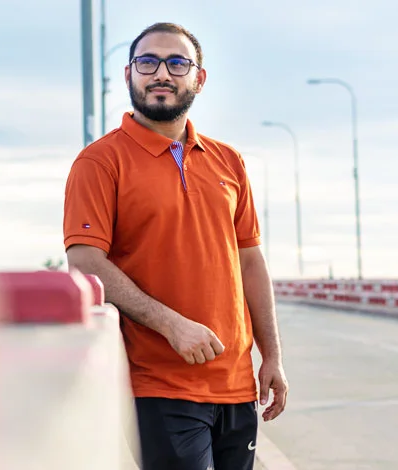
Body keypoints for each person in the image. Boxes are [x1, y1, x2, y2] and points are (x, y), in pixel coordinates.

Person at [62, 22, 288, 470]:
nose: (161, 73)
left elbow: (249, 261)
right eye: (147, 62)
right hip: (159, 384)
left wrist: (272, 356)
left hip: (236, 383)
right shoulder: (99, 162)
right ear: (129, 74)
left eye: (177, 63)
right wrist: (171, 325)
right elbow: (85, 262)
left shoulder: (229, 161)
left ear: (198, 78)